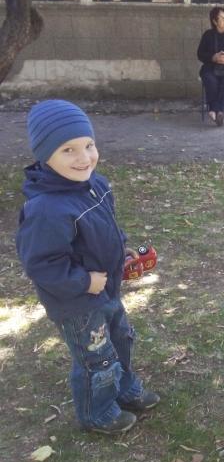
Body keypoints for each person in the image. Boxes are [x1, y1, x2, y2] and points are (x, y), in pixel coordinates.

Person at [16, 100, 160, 436]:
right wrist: (84, 281)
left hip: (106, 289)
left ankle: (124, 389)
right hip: (77, 302)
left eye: (89, 145)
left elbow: (108, 226)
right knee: (97, 357)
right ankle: (97, 412)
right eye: (68, 150)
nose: (84, 158)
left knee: (121, 339)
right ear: (44, 155)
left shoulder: (97, 185)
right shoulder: (45, 210)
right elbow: (42, 265)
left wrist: (121, 250)